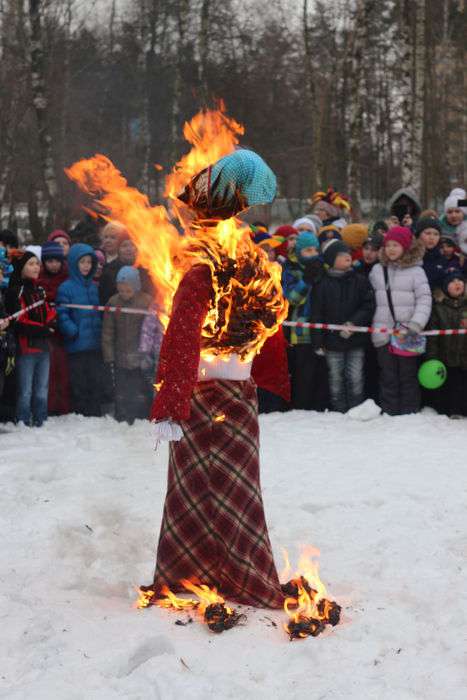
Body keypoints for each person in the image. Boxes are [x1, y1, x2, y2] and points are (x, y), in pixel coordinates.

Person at [139, 147, 286, 609]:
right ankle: (188, 575)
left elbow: (269, 318)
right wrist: (172, 401)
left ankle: (239, 575)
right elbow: (183, 331)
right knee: (193, 491)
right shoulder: (205, 262)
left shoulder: (248, 259)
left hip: (235, 391)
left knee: (237, 492)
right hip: (205, 391)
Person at [369, 227, 432, 415]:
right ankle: (390, 411)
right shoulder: (377, 270)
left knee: (407, 375)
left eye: (395, 245)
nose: (391, 249)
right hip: (382, 332)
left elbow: (424, 299)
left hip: (407, 332)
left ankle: (409, 412)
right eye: (388, 245)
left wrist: (416, 323)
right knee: (387, 375)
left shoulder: (416, 271)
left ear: (405, 247)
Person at [310, 241, 375, 413]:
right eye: (341, 255)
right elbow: (317, 314)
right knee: (336, 379)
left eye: (348, 253)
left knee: (355, 378)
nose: (347, 257)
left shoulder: (360, 280)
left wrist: (354, 323)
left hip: (356, 339)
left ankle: (356, 409)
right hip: (332, 342)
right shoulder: (322, 284)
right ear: (331, 259)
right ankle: (339, 411)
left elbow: (368, 306)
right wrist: (318, 341)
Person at [5, 251, 57, 426]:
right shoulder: (16, 292)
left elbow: (48, 311)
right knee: (25, 390)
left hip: (44, 348)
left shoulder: (39, 290)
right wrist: (43, 329)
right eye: (31, 264)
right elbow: (19, 322)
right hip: (26, 349)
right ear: (21, 268)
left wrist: (53, 321)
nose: (36, 267)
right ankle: (23, 420)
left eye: (37, 264)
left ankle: (41, 419)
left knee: (42, 388)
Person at [282, 231, 328, 410]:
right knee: (303, 374)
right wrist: (306, 280)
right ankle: (301, 408)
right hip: (300, 330)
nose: (313, 254)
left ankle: (320, 407)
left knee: (321, 374)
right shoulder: (291, 269)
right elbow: (292, 298)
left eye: (315, 250)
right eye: (308, 250)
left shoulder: (323, 267)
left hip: (322, 329)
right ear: (300, 251)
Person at [56, 244, 103, 417]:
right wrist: (72, 331)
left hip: (94, 344)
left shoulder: (93, 286)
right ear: (74, 263)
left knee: (94, 379)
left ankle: (95, 411)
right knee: (79, 381)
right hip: (76, 345)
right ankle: (81, 413)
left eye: (89, 262)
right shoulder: (65, 288)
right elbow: (62, 313)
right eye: (82, 262)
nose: (86, 266)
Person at [101, 267, 152, 423]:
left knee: (141, 386)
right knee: (122, 388)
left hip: (140, 354)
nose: (124, 294)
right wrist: (108, 354)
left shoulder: (146, 302)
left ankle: (143, 414)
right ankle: (122, 414)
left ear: (136, 287)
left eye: (128, 291)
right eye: (121, 291)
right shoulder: (113, 302)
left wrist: (149, 353)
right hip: (120, 353)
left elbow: (151, 329)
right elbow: (107, 332)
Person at [425, 271, 467, 417]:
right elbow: (433, 337)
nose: (457, 283)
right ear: (445, 287)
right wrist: (432, 357)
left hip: (465, 357)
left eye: (460, 280)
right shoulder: (438, 308)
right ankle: (452, 411)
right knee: (452, 386)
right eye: (452, 281)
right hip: (446, 357)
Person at [38, 241, 71, 415]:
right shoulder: (39, 280)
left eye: (57, 261)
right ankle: (49, 406)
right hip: (45, 332)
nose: (54, 264)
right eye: (49, 261)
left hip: (63, 332)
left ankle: (63, 406)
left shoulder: (67, 279)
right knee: (48, 372)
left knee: (63, 371)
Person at [415, 217, 448, 290]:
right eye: (428, 233)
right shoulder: (409, 256)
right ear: (418, 235)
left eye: (436, 234)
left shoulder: (442, 259)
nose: (432, 237)